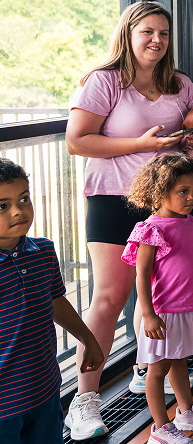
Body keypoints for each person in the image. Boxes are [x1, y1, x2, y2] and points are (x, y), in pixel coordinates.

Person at [64, 1, 193, 440]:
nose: (156, 40)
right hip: (114, 200)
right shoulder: (105, 81)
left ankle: (145, 369)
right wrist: (141, 144)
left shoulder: (181, 84)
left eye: (163, 34)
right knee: (110, 299)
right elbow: (77, 142)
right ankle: (84, 400)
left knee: (161, 296)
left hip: (164, 207)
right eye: (147, 32)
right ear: (128, 34)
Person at [0, 158, 104, 444]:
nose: (18, 211)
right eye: (2, 206)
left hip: (44, 389)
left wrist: (87, 338)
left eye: (24, 199)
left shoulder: (43, 251)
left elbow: (56, 301)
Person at [122, 153, 193, 444]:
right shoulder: (152, 229)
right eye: (182, 191)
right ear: (159, 191)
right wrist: (149, 314)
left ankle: (186, 411)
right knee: (157, 369)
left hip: (187, 307)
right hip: (163, 312)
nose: (191, 197)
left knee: (180, 361)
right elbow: (142, 276)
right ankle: (161, 429)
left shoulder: (189, 223)